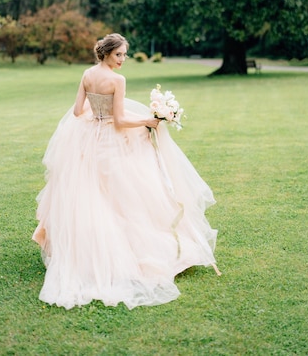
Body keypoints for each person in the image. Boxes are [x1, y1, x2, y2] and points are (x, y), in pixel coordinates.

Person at [32, 33, 220, 310]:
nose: (123, 59)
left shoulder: (87, 74)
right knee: (121, 195)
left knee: (91, 194)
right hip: (111, 143)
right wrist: (148, 120)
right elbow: (119, 120)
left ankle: (86, 251)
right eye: (119, 54)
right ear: (106, 53)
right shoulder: (117, 80)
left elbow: (76, 112)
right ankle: (124, 253)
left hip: (88, 140)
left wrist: (97, 118)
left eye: (124, 55)